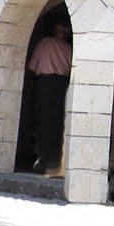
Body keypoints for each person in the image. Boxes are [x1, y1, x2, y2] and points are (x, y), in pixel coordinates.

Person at [28, 22, 72, 177]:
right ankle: (54, 160)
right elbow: (69, 69)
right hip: (61, 85)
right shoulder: (68, 48)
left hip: (44, 83)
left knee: (42, 119)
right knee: (57, 122)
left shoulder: (44, 43)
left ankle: (42, 157)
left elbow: (33, 66)